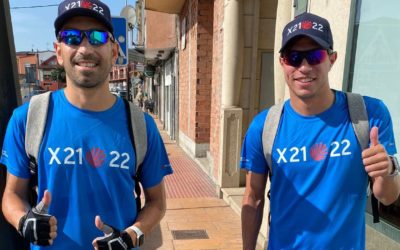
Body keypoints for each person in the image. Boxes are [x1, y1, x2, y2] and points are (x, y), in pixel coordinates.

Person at [0, 0, 173, 249]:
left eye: (97, 36)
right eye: (71, 37)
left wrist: (131, 235)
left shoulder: (141, 125)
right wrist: (24, 221)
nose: (84, 47)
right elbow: (12, 195)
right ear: (59, 52)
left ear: (114, 51)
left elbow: (157, 203)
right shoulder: (27, 119)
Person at [241, 12, 400, 249]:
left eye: (314, 55)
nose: (304, 67)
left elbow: (387, 196)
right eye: (294, 57)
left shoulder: (369, 114)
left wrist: (388, 169)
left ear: (332, 59)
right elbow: (253, 199)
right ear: (282, 62)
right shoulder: (264, 126)